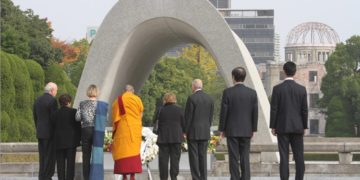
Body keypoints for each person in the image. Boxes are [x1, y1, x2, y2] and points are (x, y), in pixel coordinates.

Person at [270, 61, 308, 180]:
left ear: (284, 71)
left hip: (282, 126)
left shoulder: (277, 89)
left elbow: (274, 109)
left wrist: (273, 126)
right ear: (295, 72)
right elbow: (304, 110)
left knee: (284, 156)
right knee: (299, 156)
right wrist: (305, 126)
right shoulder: (301, 89)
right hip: (298, 127)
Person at [218, 67, 258, 180]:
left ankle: (235, 177)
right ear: (244, 77)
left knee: (233, 157)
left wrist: (222, 130)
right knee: (245, 156)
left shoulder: (227, 92)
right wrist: (254, 129)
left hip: (232, 130)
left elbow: (223, 112)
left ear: (233, 77)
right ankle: (245, 177)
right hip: (247, 130)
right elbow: (255, 113)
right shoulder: (252, 93)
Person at [76, 84, 108, 180]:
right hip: (97, 130)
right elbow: (106, 118)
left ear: (88, 92)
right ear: (97, 92)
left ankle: (86, 177)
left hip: (85, 130)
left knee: (86, 155)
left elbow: (77, 118)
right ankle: (96, 176)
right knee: (97, 153)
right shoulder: (101, 105)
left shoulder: (82, 104)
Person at [112, 85, 144, 180]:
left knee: (123, 151)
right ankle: (132, 176)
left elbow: (115, 116)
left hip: (123, 129)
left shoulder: (118, 100)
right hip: (135, 129)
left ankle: (124, 176)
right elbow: (141, 113)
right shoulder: (137, 99)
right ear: (132, 91)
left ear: (124, 91)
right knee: (133, 151)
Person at [184, 79, 214, 180]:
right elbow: (210, 117)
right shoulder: (209, 98)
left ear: (193, 86)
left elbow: (188, 117)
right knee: (203, 156)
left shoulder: (191, 98)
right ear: (202, 86)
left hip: (193, 132)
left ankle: (196, 178)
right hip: (205, 131)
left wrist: (185, 131)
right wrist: (207, 127)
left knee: (194, 157)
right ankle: (204, 177)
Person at [157, 93, 185, 180]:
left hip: (163, 138)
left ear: (165, 100)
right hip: (176, 138)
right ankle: (174, 177)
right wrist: (183, 132)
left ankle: (163, 178)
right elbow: (183, 123)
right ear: (174, 100)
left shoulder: (161, 110)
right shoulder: (179, 109)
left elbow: (157, 122)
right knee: (175, 160)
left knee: (163, 161)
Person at [52, 94, 81, 180]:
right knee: (70, 164)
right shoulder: (74, 112)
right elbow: (78, 128)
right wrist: (79, 140)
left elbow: (52, 127)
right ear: (69, 102)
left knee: (60, 164)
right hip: (71, 143)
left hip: (58, 142)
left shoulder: (54, 113)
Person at [33, 82, 58, 180]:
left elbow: (35, 116)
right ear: (52, 90)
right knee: (49, 156)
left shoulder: (37, 100)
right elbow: (54, 118)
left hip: (40, 132)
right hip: (50, 133)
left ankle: (41, 176)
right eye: (56, 90)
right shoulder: (52, 101)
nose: (56, 92)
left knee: (42, 155)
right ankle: (47, 176)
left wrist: (38, 128)